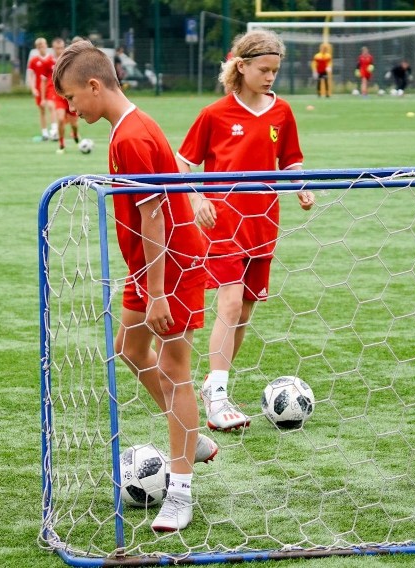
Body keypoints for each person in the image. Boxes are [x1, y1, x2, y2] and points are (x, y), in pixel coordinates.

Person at [53, 40, 218, 532]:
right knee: (127, 346)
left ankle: (181, 492)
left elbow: (154, 217)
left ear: (95, 86)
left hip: (172, 267)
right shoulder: (127, 129)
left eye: (71, 97)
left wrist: (160, 291)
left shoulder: (131, 136)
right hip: (149, 268)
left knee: (175, 367)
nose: (70, 107)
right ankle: (194, 438)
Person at [175, 29, 315, 432]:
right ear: (242, 66)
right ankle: (217, 397)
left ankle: (213, 384)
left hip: (264, 222)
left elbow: (290, 160)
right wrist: (199, 199)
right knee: (230, 305)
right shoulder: (214, 114)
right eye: (264, 69)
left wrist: (301, 189)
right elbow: (181, 166)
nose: (270, 77)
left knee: (246, 310)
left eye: (275, 71)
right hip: (222, 223)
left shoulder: (281, 112)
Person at [49, 38, 81, 153]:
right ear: (53, 49)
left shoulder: (70, 62)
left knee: (74, 124)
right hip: (58, 97)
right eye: (57, 48)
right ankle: (61, 144)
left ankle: (76, 135)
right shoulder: (50, 62)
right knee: (61, 119)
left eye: (62, 48)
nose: (59, 50)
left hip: (70, 96)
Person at [27, 37, 56, 140]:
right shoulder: (33, 61)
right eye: (39, 46)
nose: (41, 48)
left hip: (50, 87)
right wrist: (33, 89)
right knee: (42, 110)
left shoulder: (52, 59)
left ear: (46, 45)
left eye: (43, 45)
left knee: (51, 106)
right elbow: (30, 76)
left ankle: (54, 130)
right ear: (37, 48)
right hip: (39, 89)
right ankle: (45, 133)